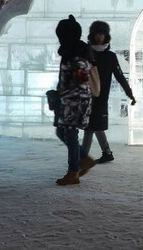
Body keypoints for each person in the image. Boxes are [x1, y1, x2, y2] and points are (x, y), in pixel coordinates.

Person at [83, 20, 136, 165]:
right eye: (97, 34)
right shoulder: (86, 53)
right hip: (87, 95)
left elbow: (119, 76)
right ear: (92, 35)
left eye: (102, 34)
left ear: (106, 36)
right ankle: (105, 153)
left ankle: (84, 156)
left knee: (92, 126)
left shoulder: (110, 56)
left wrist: (129, 93)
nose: (99, 37)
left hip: (101, 97)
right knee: (93, 126)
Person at [53, 15, 96, 186]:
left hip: (76, 101)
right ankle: (83, 159)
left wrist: (63, 91)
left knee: (69, 134)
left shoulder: (77, 55)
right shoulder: (70, 52)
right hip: (70, 100)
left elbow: (81, 80)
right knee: (62, 132)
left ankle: (74, 171)